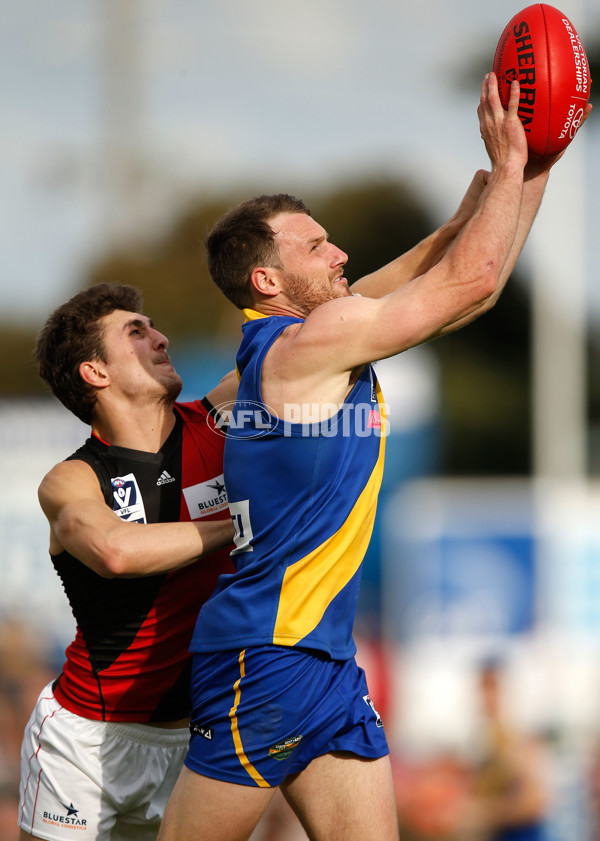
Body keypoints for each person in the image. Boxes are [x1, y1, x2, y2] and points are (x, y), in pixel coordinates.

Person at [158, 74, 591, 841]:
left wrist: (535, 166)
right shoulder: (306, 345)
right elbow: (472, 278)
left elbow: (462, 286)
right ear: (267, 281)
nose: (340, 251)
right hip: (266, 656)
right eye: (317, 245)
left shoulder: (319, 337)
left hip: (324, 661)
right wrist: (514, 160)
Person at [18, 283, 237, 841]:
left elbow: (325, 333)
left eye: (152, 326)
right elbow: (116, 552)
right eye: (135, 332)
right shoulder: (72, 480)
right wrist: (246, 524)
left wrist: (456, 234)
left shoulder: (216, 422)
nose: (161, 337)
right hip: (87, 742)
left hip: (197, 739)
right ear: (96, 372)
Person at [459, 659, 549, 841]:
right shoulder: (481, 741)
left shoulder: (519, 739)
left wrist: (485, 813)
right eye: (482, 688)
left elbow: (535, 801)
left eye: (492, 687)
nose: (486, 696)